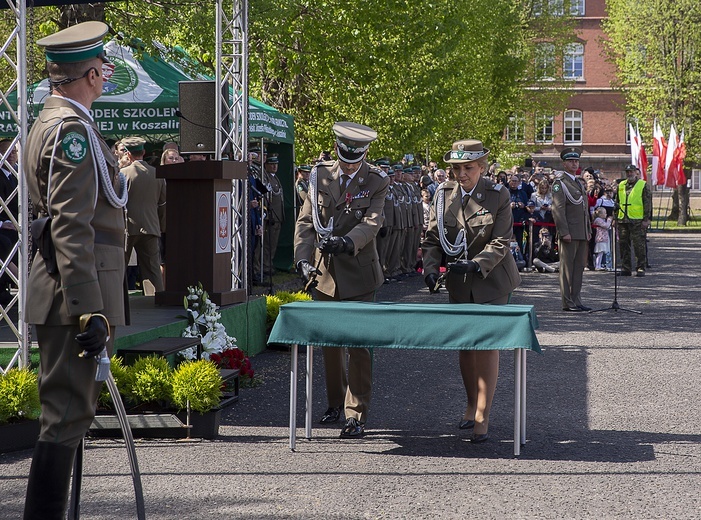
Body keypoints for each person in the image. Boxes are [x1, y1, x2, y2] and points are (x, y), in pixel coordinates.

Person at [22, 22, 128, 519]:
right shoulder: (72, 132)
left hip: (62, 289)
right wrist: (90, 311)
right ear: (90, 74)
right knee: (66, 416)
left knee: (67, 413)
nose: (105, 78)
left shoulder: (52, 120)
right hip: (72, 297)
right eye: (103, 71)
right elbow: (71, 226)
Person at [422, 139, 521, 443]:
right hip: (458, 282)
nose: (461, 174)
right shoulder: (442, 195)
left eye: (468, 167)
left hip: (491, 279)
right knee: (465, 346)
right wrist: (429, 269)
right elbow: (432, 238)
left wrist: (477, 264)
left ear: (481, 167)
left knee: (486, 344)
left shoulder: (497, 194)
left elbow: (501, 241)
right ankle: (470, 404)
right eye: (456, 168)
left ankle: (483, 413)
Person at [294, 121, 389, 439]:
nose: (349, 164)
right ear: (336, 149)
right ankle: (336, 402)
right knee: (330, 346)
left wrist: (348, 242)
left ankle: (356, 414)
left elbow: (373, 222)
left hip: (360, 272)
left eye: (355, 159)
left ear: (363, 154)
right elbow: (306, 221)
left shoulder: (376, 180)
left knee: (359, 346)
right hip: (325, 275)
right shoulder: (319, 175)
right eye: (345, 158)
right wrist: (302, 259)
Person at [122, 136, 166, 294]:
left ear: (128, 154)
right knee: (153, 269)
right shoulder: (157, 174)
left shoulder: (123, 174)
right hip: (151, 226)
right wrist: (161, 226)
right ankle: (158, 300)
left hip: (127, 227)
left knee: (120, 268)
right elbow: (163, 204)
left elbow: (117, 202)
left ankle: (118, 303)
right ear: (144, 152)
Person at [551, 147, 591, 312]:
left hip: (581, 232)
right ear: (564, 163)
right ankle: (567, 302)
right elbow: (558, 209)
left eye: (576, 161)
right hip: (569, 233)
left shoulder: (576, 182)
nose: (574, 163)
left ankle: (576, 299)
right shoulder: (559, 183)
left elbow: (584, 209)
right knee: (567, 268)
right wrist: (564, 231)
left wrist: (587, 229)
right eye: (571, 161)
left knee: (578, 268)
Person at [614, 164, 652, 276]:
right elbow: (617, 202)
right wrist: (615, 217)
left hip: (637, 220)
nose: (629, 174)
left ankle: (640, 267)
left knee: (639, 245)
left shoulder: (643, 185)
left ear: (636, 172)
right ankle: (626, 268)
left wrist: (646, 219)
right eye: (627, 172)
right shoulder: (621, 185)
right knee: (623, 244)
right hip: (622, 219)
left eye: (631, 172)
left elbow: (647, 203)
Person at [255, 154, 284, 280]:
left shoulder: (274, 178)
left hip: (277, 216)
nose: (274, 166)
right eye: (271, 164)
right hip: (270, 217)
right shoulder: (265, 176)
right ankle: (264, 267)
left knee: (272, 244)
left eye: (276, 164)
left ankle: (268, 264)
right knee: (266, 244)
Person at [0, 138, 19, 305]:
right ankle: (19, 278)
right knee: (5, 242)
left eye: (14, 152)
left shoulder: (16, 176)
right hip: (2, 225)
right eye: (8, 152)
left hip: (13, 223)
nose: (12, 156)